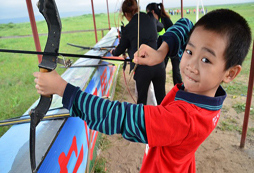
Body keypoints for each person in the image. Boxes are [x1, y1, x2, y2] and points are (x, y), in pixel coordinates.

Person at [33, 9, 251, 172]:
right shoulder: (208, 96)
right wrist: (161, 52)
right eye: (188, 51)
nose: (191, 66)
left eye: (205, 59)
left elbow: (122, 117)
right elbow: (187, 23)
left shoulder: (184, 119)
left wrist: (63, 89)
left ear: (230, 73)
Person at [110, 0, 166, 105]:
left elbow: (120, 50)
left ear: (126, 14)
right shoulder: (150, 17)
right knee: (162, 101)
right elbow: (160, 27)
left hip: (142, 68)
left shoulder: (128, 29)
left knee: (142, 104)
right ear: (137, 9)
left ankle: (143, 121)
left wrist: (113, 51)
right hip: (159, 64)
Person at [146, 2, 182, 85]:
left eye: (148, 13)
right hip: (165, 48)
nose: (148, 17)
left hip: (174, 48)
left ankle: (179, 90)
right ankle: (157, 86)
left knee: (176, 71)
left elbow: (173, 35)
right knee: (161, 68)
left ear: (152, 12)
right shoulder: (156, 22)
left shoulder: (165, 20)